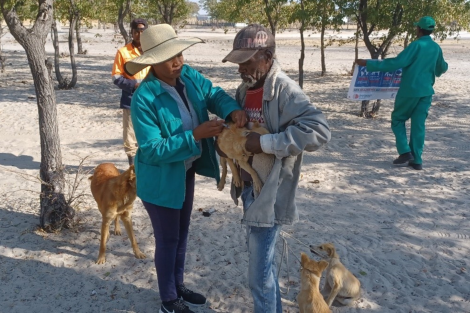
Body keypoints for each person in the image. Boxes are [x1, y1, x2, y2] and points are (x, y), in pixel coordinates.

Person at [124, 24, 246, 313]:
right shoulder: (145, 98)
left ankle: (177, 286)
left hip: (184, 170)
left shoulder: (188, 75)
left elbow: (213, 93)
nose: (178, 61)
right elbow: (152, 149)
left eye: (179, 54)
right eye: (170, 58)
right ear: (153, 61)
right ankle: (168, 300)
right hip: (160, 178)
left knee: (181, 232)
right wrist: (195, 136)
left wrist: (231, 109)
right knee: (167, 239)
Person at [221, 24, 331, 313]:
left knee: (258, 277)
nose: (241, 68)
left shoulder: (285, 90)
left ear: (267, 56)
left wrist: (266, 143)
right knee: (264, 269)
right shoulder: (244, 90)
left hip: (269, 195)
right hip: (249, 189)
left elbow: (319, 130)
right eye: (239, 62)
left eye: (247, 61)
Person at [356, 16, 448, 170]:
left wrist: (369, 64)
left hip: (409, 91)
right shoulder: (436, 48)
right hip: (426, 92)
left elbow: (398, 62)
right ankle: (417, 160)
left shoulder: (416, 45)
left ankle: (405, 151)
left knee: (398, 120)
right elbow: (442, 68)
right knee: (419, 125)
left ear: (419, 29)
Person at [112, 18, 150, 166]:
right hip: (131, 100)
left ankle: (148, 166)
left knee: (149, 132)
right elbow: (116, 77)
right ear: (132, 33)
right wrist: (133, 85)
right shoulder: (123, 52)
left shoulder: (153, 51)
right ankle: (133, 169)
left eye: (142, 31)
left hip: (152, 100)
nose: (139, 35)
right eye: (136, 32)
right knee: (130, 136)